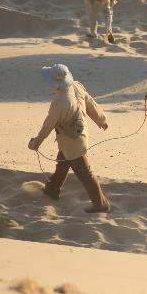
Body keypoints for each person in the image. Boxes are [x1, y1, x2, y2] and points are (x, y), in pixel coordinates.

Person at [28, 64, 110, 213]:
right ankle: (52, 190)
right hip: (77, 136)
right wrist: (101, 119)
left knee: (85, 174)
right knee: (62, 164)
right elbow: (89, 102)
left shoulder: (60, 101)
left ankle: (101, 204)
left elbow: (48, 125)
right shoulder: (76, 85)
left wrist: (36, 143)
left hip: (72, 142)